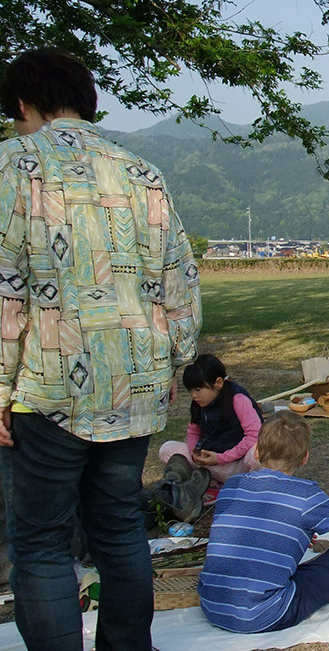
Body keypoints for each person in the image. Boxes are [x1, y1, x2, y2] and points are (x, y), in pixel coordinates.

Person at [0, 49, 202, 651]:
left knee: (40, 541)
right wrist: (173, 363)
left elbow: (5, 286)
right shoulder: (142, 173)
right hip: (133, 383)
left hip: (48, 384)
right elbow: (181, 284)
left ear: (22, 104)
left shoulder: (14, 164)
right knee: (117, 530)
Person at [198, 412, 329, 633]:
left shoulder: (231, 486)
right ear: (304, 458)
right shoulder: (306, 495)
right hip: (264, 613)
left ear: (256, 451)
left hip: (212, 603)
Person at [159, 353, 263, 494]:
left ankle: (234, 483)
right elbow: (193, 431)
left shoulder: (237, 398)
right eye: (190, 390)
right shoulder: (198, 403)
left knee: (258, 453)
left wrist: (221, 458)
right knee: (166, 449)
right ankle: (214, 481)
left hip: (238, 464)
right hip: (211, 463)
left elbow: (254, 435)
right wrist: (194, 452)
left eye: (198, 390)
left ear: (218, 383)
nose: (194, 395)